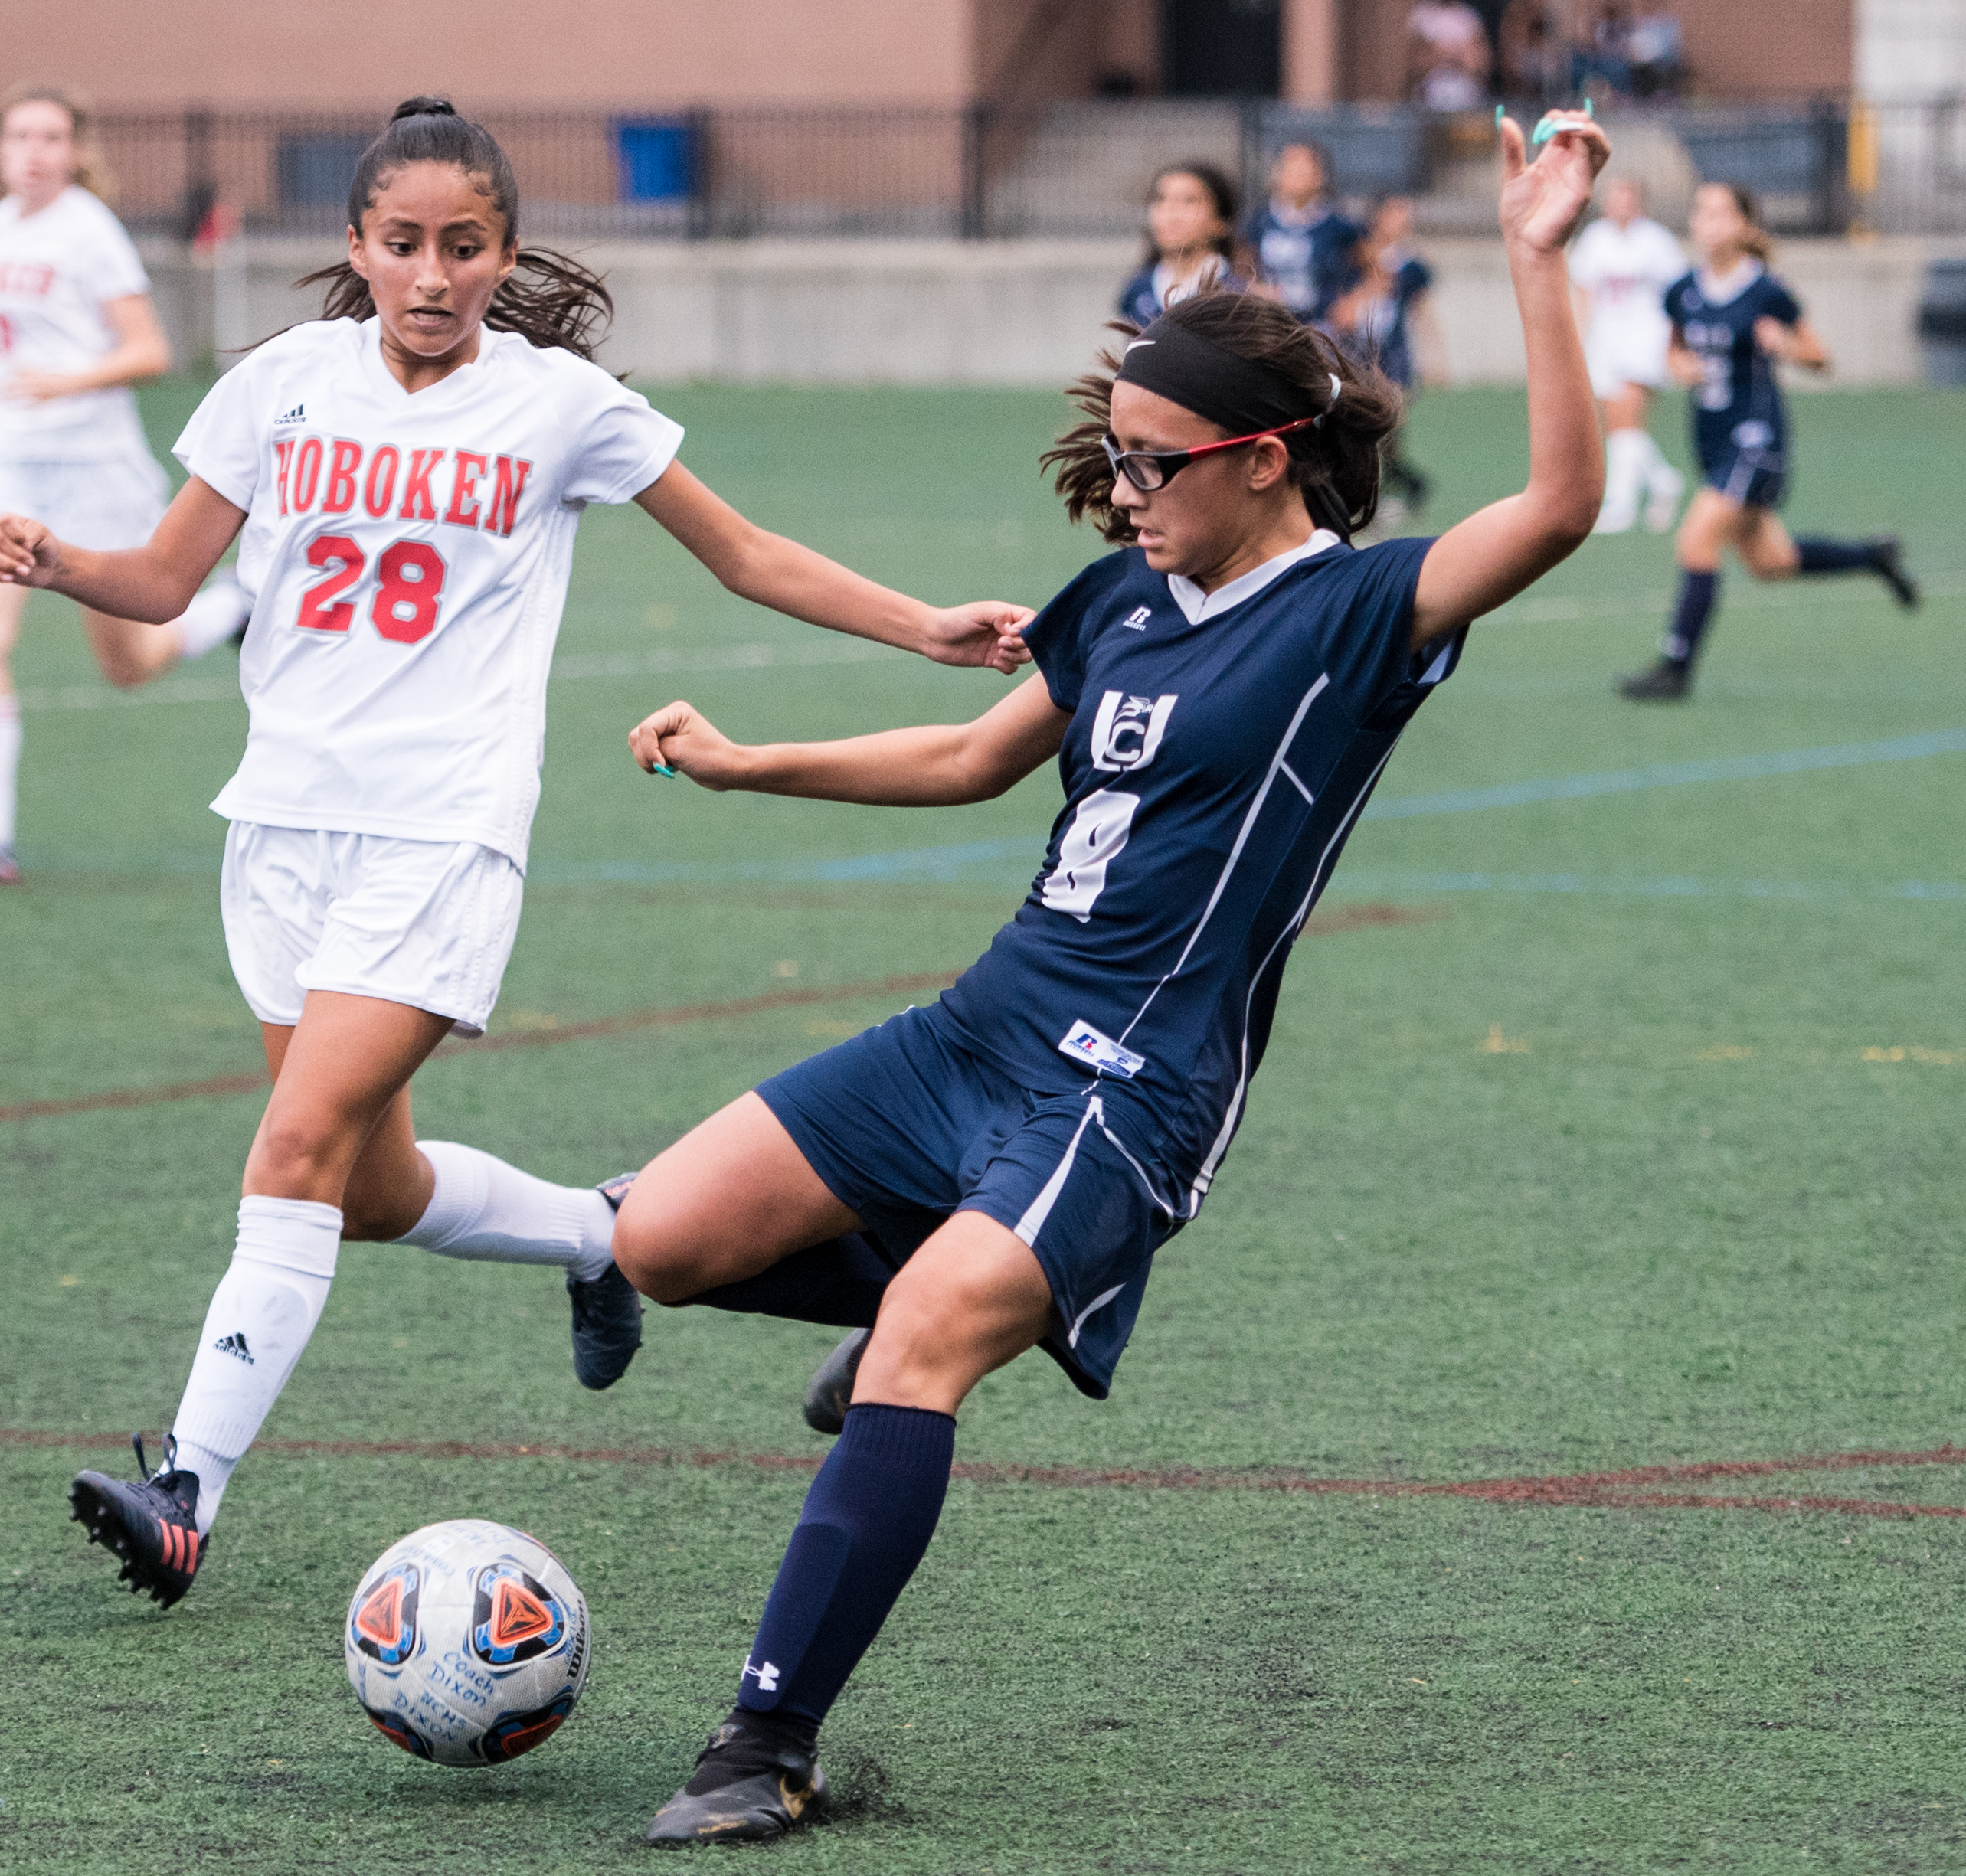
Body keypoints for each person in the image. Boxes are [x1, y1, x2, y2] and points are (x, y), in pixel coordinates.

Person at [602, 106, 1614, 1844]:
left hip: (1127, 1083)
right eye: (1118, 458)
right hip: (974, 1029)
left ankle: (764, 1743)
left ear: (1265, 460)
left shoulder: (1361, 615)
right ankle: (949, 1290)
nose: (1123, 491)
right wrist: (750, 760)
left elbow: (1564, 504)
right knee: (660, 1243)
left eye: (1155, 464)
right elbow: (967, 759)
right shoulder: (1121, 600)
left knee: (924, 1341)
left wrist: (1531, 257)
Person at [0, 97, 1033, 1610]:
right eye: (403, 243)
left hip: (442, 833)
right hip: (280, 829)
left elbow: (744, 553)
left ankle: (185, 1489)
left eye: (463, 246)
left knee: (288, 1152)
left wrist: (923, 624)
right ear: (357, 247)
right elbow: (159, 580)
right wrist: (59, 563)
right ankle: (598, 1236)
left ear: (504, 254)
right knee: (363, 1186)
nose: (432, 274)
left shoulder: (557, 406)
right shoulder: (280, 383)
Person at [0, 84, 245, 887]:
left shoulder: (91, 232)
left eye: (51, 137)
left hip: (93, 469)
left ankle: (230, 608)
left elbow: (151, 350)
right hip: (4, 462)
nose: (34, 152)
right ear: (1, 149)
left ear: (76, 150)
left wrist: (67, 382)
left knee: (129, 664)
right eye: (20, 136)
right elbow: (1, 341)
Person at [1615, 182, 1919, 701]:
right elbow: (1674, 350)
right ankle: (1872, 557)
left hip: (1758, 439)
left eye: (1720, 213)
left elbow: (1821, 358)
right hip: (1711, 438)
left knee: (1695, 540)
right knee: (1770, 563)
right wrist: (1679, 365)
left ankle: (1675, 668)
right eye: (1700, 212)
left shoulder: (1766, 292)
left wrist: (1786, 348)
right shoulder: (1682, 290)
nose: (1707, 222)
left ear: (1744, 226)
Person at [1569, 175, 1690, 534]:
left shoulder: (1657, 242)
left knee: (1626, 416)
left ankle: (1620, 504)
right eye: (1614, 198)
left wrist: (1676, 343)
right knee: (1618, 424)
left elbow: (1680, 296)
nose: (1620, 205)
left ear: (1640, 203)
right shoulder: (1595, 239)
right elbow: (1584, 292)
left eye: (1627, 199)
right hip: (1606, 340)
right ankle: (1664, 481)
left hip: (1646, 339)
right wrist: (1579, 338)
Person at [1329, 193, 1438, 516]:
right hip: (1357, 355)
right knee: (1365, 430)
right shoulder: (1353, 261)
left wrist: (1435, 356)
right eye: (1396, 213)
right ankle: (1400, 483)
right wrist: (1374, 281)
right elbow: (1341, 314)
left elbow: (1422, 311)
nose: (1404, 220)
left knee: (1389, 425)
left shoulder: (1411, 266)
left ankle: (1390, 485)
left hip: (1395, 358)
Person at [1242, 142, 1362, 327]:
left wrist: (1352, 302)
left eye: (1307, 165)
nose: (1299, 171)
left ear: (1321, 175)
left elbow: (1368, 266)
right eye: (1292, 164)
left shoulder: (1338, 226)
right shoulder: (1260, 221)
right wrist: (1254, 289)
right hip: (1270, 324)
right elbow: (1241, 265)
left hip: (1318, 326)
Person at [1116, 162, 1245, 330]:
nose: (1170, 212)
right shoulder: (1139, 288)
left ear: (1220, 223)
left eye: (1188, 201)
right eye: (1161, 199)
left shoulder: (1236, 298)